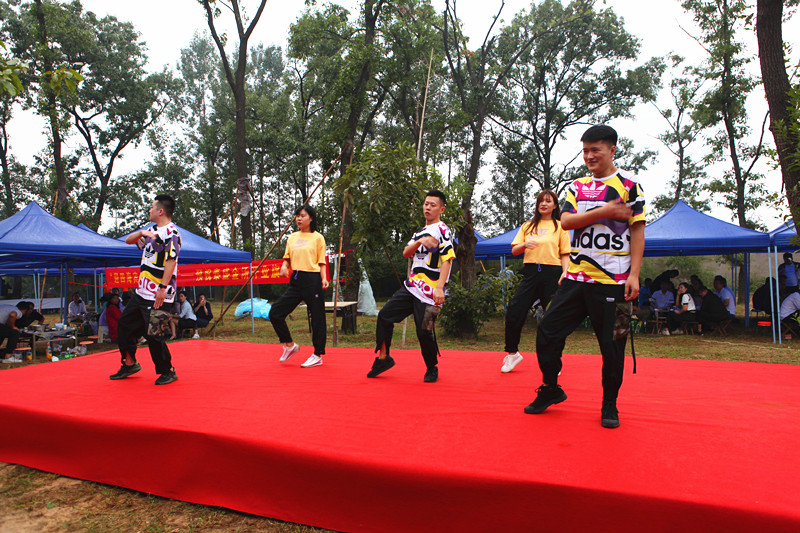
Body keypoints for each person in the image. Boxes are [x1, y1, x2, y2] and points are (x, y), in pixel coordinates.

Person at [524, 125, 645, 429]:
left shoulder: (630, 187)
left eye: (595, 150)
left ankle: (609, 404)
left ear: (612, 150)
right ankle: (551, 388)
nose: (589, 156)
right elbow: (566, 222)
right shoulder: (577, 187)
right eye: (585, 150)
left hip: (614, 282)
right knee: (547, 330)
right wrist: (605, 211)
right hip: (576, 279)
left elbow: (637, 231)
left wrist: (634, 274)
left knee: (613, 346)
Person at [367, 190, 455, 383]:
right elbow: (406, 252)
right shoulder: (419, 232)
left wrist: (440, 287)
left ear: (441, 209)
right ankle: (383, 358)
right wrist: (420, 241)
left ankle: (431, 367)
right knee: (384, 315)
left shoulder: (443, 230)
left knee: (425, 331)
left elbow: (447, 259)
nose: (428, 207)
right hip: (412, 287)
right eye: (426, 204)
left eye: (433, 205)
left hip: (432, 293)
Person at [110, 194, 181, 385]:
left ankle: (167, 371)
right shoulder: (151, 230)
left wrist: (162, 288)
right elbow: (129, 240)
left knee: (154, 333)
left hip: (160, 294)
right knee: (124, 324)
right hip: (142, 292)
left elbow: (171, 261)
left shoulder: (172, 233)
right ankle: (129, 363)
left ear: (160, 211)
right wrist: (142, 233)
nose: (149, 210)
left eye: (152, 207)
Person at [500, 189, 570, 373]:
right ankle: (512, 353)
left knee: (554, 318)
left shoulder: (560, 226)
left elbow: (565, 253)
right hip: (531, 272)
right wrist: (524, 244)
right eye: (541, 201)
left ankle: (554, 360)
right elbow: (514, 250)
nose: (544, 204)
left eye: (548, 201)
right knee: (514, 310)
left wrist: (565, 272)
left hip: (553, 273)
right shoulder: (527, 226)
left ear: (555, 205)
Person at [268, 204, 329, 368]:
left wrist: (324, 278)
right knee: (275, 312)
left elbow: (321, 262)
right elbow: (287, 258)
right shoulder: (292, 237)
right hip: (296, 279)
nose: (299, 219)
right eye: (297, 216)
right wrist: (284, 266)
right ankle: (290, 345)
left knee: (317, 318)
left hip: (313, 279)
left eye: (302, 215)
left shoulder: (318, 238)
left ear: (311, 218)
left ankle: (317, 355)